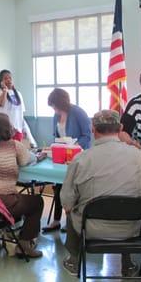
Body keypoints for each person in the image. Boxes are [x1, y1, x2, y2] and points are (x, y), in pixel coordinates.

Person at [60, 110, 141, 276]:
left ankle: (74, 260)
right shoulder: (140, 157)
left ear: (93, 129)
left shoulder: (81, 159)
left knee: (70, 208)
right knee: (127, 200)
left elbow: (66, 200)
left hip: (91, 228)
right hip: (130, 229)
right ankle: (127, 263)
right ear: (121, 128)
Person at [0, 112, 43, 258]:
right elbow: (27, 160)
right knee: (37, 202)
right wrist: (39, 156)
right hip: (6, 202)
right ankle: (24, 244)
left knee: (21, 200)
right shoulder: (14, 146)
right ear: (7, 128)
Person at [43, 88, 92, 233]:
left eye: (55, 105)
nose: (54, 109)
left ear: (61, 102)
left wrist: (75, 146)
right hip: (61, 157)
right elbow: (55, 136)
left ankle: (70, 221)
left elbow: (87, 135)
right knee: (58, 187)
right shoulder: (55, 116)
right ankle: (56, 220)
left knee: (72, 188)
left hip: (77, 156)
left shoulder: (78, 112)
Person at [0, 69, 36, 147]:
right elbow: (0, 103)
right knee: (7, 153)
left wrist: (24, 130)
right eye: (5, 78)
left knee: (17, 154)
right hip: (4, 130)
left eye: (10, 78)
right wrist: (4, 91)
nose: (8, 80)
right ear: (1, 81)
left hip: (17, 130)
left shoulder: (18, 94)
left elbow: (21, 114)